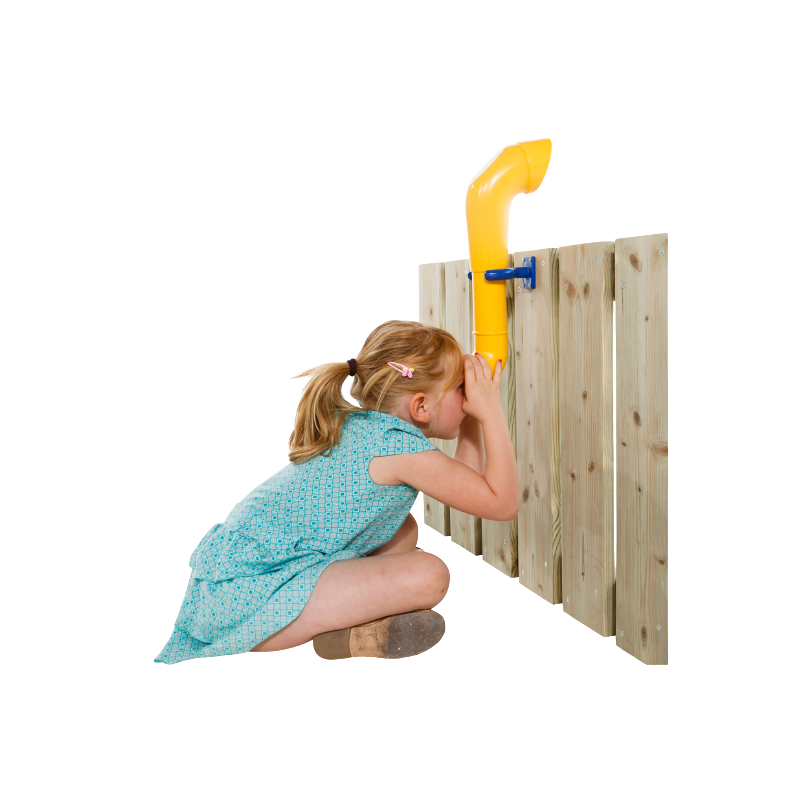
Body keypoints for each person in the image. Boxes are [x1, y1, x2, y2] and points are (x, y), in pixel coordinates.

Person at [154, 320, 519, 664]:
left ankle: (345, 619)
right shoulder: (401, 450)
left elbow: (467, 487)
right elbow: (501, 504)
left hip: (230, 583)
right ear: (420, 406)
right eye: (461, 390)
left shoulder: (364, 426)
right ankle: (325, 627)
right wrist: (491, 413)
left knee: (402, 528)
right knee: (431, 575)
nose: (469, 397)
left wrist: (471, 419)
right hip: (243, 599)